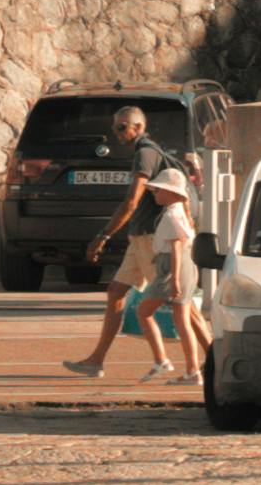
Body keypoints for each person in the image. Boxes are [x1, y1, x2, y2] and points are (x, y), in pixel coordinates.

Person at [67, 128, 201, 386]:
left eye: (158, 190)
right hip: (143, 241)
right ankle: (99, 361)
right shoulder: (175, 212)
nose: (153, 194)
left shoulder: (146, 157)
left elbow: (134, 203)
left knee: (177, 313)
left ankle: (195, 363)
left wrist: (104, 236)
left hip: (158, 254)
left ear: (137, 127)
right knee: (119, 293)